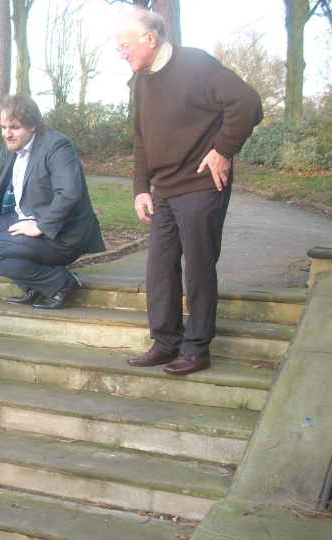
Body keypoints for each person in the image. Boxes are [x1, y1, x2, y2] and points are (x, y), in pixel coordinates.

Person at [116, 8, 263, 375]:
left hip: (201, 185)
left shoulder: (195, 64)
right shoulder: (141, 82)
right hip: (164, 190)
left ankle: (197, 348)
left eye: (125, 46)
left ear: (151, 39)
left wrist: (223, 149)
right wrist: (140, 188)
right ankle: (166, 342)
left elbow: (247, 103)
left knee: (198, 267)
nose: (122, 54)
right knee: (160, 268)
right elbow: (142, 138)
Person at [0, 94, 105, 309]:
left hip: (63, 233)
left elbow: (69, 194)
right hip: (27, 217)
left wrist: (40, 226)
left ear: (33, 126)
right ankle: (36, 286)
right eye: (3, 127)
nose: (7, 134)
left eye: (14, 127)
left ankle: (61, 283)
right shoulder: (13, 145)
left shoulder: (57, 146)